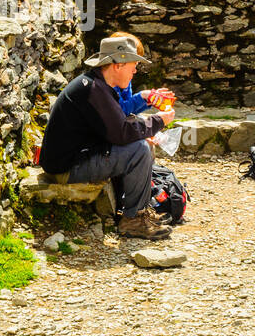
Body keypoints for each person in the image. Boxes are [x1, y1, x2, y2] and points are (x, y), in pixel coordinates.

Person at [38, 34, 177, 240]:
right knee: (139, 149)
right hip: (66, 169)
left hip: (73, 160)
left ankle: (135, 211)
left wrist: (146, 125)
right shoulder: (94, 90)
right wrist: (158, 121)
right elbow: (120, 133)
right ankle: (133, 220)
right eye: (132, 65)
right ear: (118, 65)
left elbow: (114, 127)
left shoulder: (98, 86)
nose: (135, 71)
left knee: (142, 143)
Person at [105, 31, 174, 117]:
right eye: (134, 64)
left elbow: (129, 111)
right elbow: (120, 113)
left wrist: (147, 100)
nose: (135, 71)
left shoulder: (124, 81)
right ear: (119, 65)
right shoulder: (105, 85)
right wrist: (142, 96)